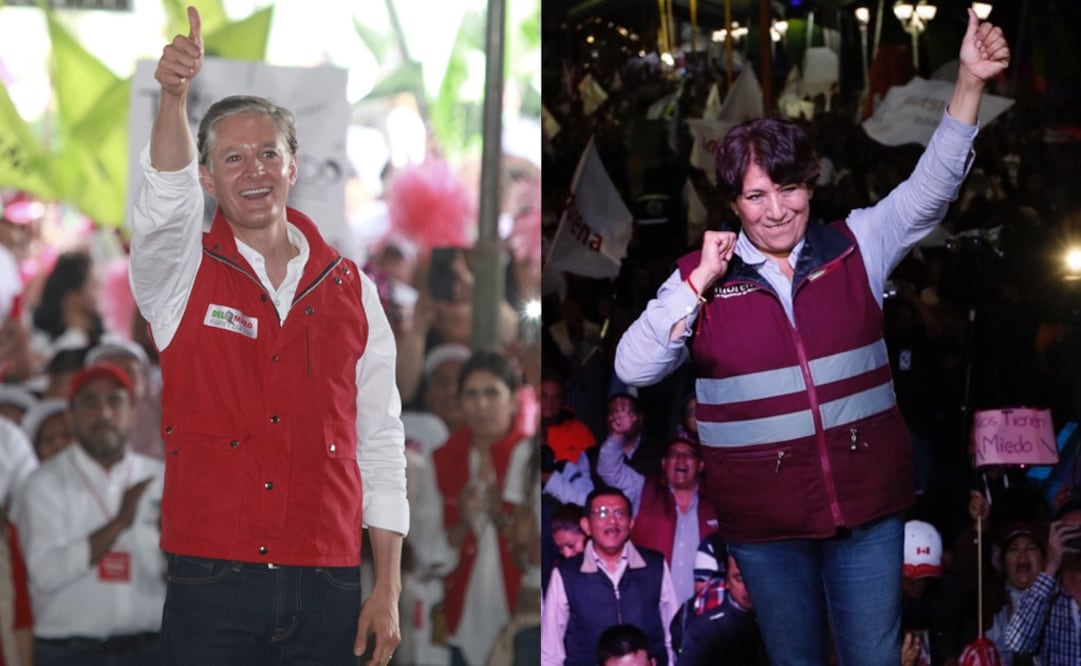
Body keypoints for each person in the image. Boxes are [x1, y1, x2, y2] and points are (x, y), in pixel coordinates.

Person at [614, 11, 1009, 665]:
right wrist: (698, 283)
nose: (776, 209)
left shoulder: (855, 246)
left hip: (866, 514)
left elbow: (930, 190)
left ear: (810, 184)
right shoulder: (700, 276)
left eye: (789, 188)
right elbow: (632, 367)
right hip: (766, 531)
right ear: (732, 201)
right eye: (756, 194)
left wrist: (968, 81)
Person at [128, 7, 407, 665]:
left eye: (267, 154)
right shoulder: (178, 273)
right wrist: (172, 98)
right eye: (232, 157)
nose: (253, 171)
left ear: (293, 164)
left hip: (330, 579)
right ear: (206, 178)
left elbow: (381, 436)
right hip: (213, 579)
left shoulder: (351, 287)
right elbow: (163, 207)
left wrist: (386, 584)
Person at [10, 364, 165, 665]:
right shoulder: (42, 484)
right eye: (90, 402)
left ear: (133, 413)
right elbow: (44, 574)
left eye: (115, 401)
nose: (104, 413)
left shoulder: (162, 478)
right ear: (71, 415)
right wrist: (119, 523)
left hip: (151, 650)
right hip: (70, 654)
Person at [431, 349, 530, 665]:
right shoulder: (443, 460)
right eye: (471, 394)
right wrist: (462, 521)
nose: (482, 405)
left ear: (514, 399)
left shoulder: (529, 460)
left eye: (492, 393)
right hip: (461, 622)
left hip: (520, 623)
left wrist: (504, 517)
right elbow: (429, 555)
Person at [541, 487, 679, 666]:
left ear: (630, 524)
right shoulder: (566, 574)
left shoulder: (654, 565)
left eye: (620, 513)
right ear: (586, 526)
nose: (612, 521)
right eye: (603, 513)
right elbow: (550, 652)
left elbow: (672, 634)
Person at [597, 433, 717, 604]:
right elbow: (608, 469)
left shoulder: (717, 501)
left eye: (689, 455)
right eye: (674, 454)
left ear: (701, 465)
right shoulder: (642, 489)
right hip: (651, 606)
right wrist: (618, 435)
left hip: (703, 609)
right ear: (663, 463)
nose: (681, 460)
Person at [1004, 497, 1081, 662]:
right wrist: (1051, 565)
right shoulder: (1045, 596)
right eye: (1068, 533)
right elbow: (1017, 643)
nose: (1077, 540)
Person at [675, 554, 767, 666]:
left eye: (755, 577)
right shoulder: (706, 629)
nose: (748, 586)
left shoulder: (781, 623)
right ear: (726, 582)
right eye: (740, 579)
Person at [986, 523, 1046, 665]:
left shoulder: (1060, 601)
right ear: (1004, 563)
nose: (1023, 555)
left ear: (1044, 560)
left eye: (1031, 548)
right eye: (1013, 549)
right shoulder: (992, 605)